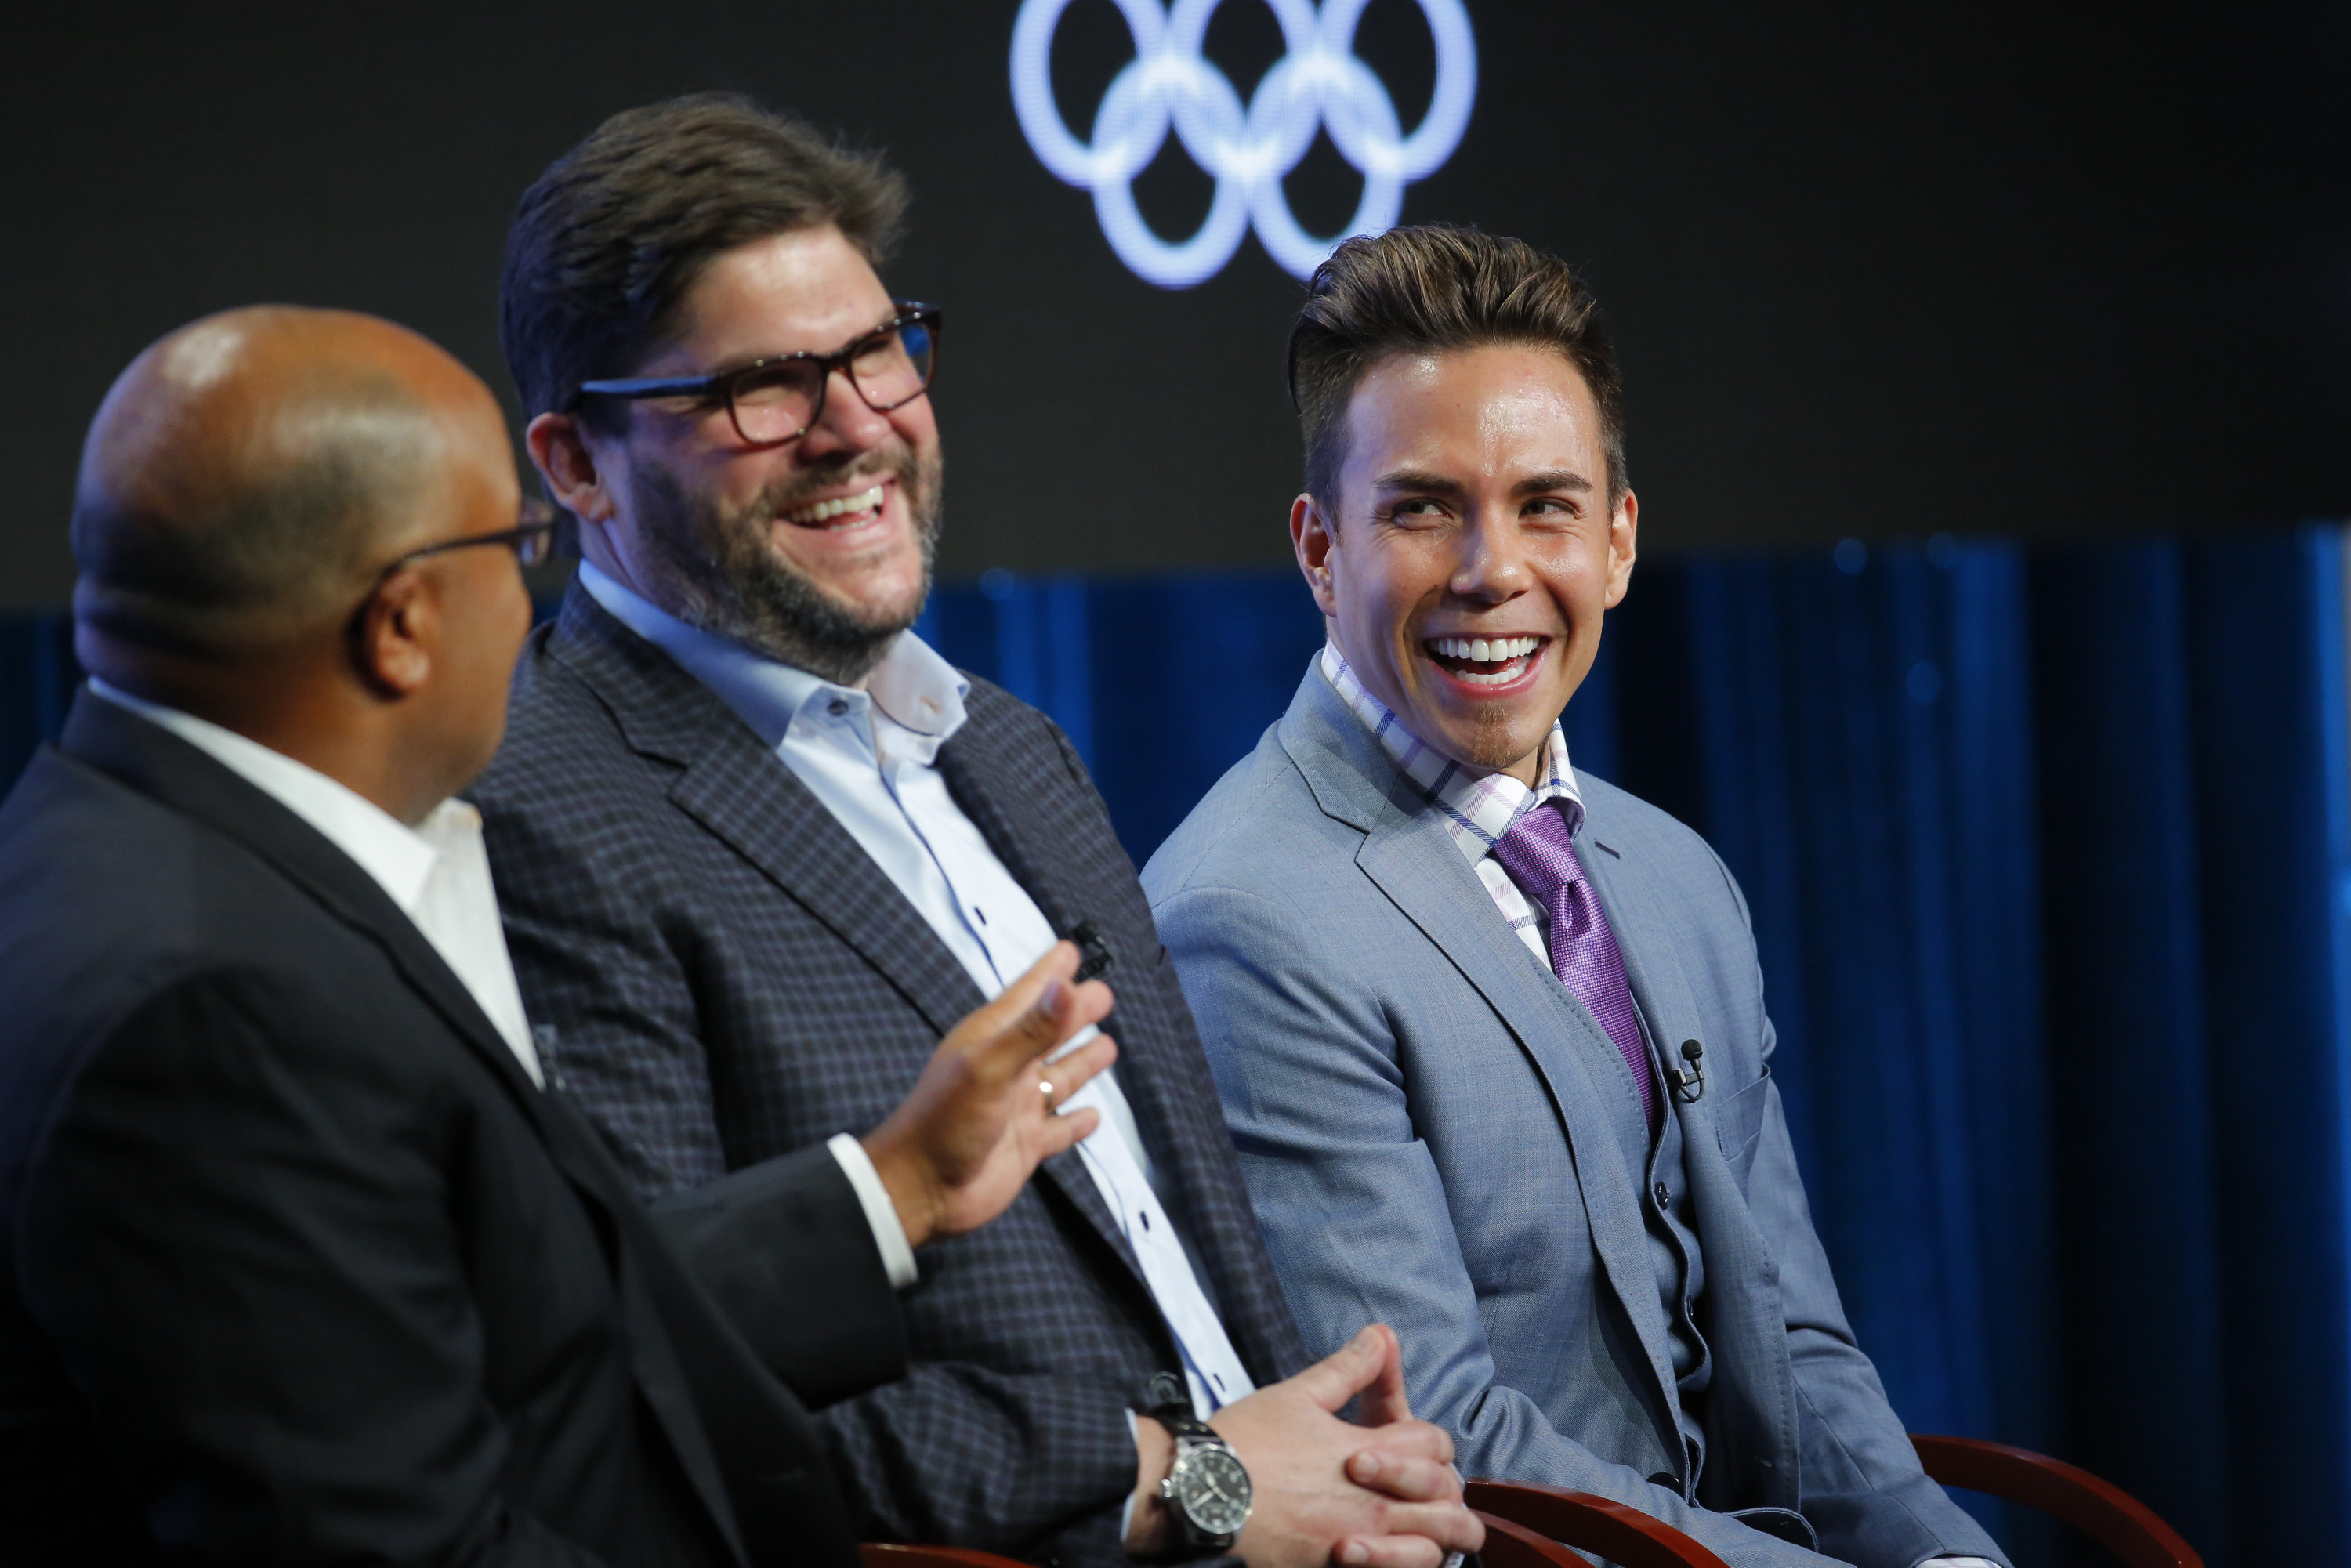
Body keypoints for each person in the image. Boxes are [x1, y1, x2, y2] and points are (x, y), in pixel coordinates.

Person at [471, 94, 1481, 1568]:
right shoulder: (539, 821)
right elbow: (653, 1393)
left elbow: (1185, 1264)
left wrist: (1350, 1472)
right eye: (762, 386)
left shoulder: (1010, 747)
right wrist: (1195, 1483)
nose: (856, 426)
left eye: (877, 350)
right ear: (575, 464)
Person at [0, 303, 1127, 1566]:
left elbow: (496, 1323)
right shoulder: (214, 1007)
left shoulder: (119, 845)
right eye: (521, 543)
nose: (534, 595)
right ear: (402, 624)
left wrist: (896, 1185)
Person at [1141, 227, 2010, 1568]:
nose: (1492, 569)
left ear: (1617, 543)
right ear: (1319, 550)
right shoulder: (1247, 921)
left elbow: (1795, 1342)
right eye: (1422, 508)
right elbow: (1437, 1451)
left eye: (1545, 505)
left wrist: (1941, 1557)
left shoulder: (1677, 876)